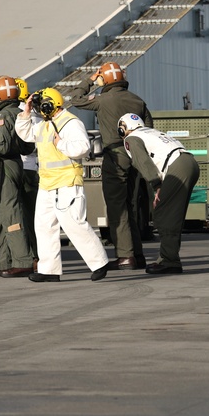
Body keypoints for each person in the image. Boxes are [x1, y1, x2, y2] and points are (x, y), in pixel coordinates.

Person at [16, 88, 110, 282]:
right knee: (44, 227)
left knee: (74, 224)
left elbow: (83, 148)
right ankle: (49, 270)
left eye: (40, 105)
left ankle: (99, 262)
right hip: (47, 184)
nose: (38, 109)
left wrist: (61, 144)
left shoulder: (70, 122)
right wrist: (25, 113)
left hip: (66, 183)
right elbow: (25, 134)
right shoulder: (44, 124)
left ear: (50, 104)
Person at [67, 61, 152, 269]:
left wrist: (90, 81)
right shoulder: (138, 101)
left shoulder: (103, 100)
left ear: (104, 79)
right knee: (130, 204)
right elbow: (149, 128)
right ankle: (137, 254)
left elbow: (76, 99)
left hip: (115, 155)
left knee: (117, 206)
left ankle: (125, 256)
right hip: (136, 154)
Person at [118, 113, 200, 274]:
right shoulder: (150, 132)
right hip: (189, 162)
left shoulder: (131, 139)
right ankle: (169, 258)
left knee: (163, 214)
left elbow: (143, 162)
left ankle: (169, 261)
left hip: (177, 167)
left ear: (123, 128)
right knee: (173, 214)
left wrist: (156, 185)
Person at [0, 76, 35, 277]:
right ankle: (0, 260)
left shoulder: (2, 116)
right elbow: (28, 145)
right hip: (11, 166)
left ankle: (22, 260)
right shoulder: (18, 113)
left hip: (5, 165)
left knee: (11, 215)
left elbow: (0, 146)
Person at [15, 77, 40, 260]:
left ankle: (28, 256)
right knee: (33, 216)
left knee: (21, 216)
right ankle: (37, 256)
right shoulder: (37, 114)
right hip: (33, 168)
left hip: (21, 168)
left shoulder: (16, 114)